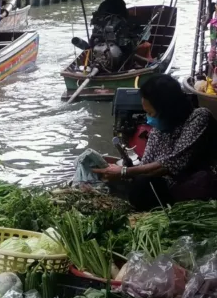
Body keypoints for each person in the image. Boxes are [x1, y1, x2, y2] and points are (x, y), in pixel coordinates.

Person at [93, 75, 217, 207]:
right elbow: (146, 165)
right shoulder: (159, 129)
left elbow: (171, 163)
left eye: (151, 114)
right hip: (168, 187)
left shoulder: (199, 118)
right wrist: (118, 172)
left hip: (196, 185)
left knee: (142, 186)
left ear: (168, 110)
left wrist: (124, 171)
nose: (148, 120)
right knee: (136, 183)